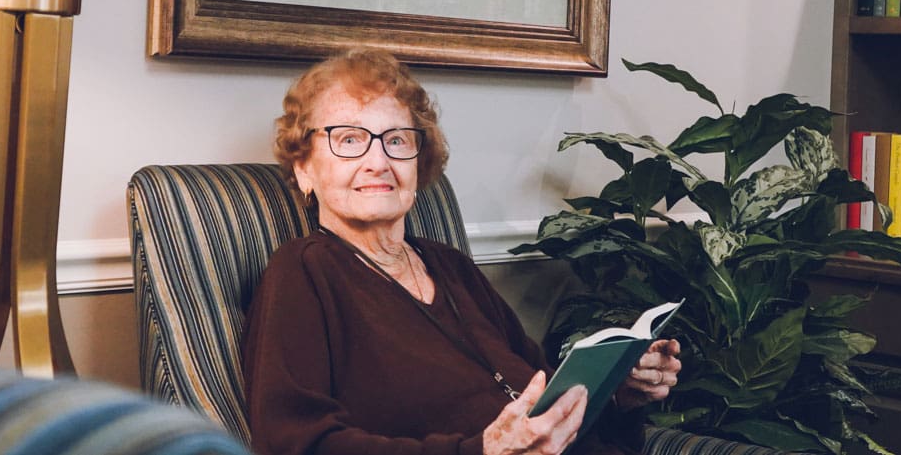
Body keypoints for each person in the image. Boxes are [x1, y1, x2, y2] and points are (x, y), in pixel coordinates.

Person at [242, 49, 682, 455]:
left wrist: (620, 394)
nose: (378, 161)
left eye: (396, 140)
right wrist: (482, 451)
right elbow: (298, 444)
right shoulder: (304, 271)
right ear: (304, 169)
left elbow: (539, 394)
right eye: (350, 139)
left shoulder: (449, 266)